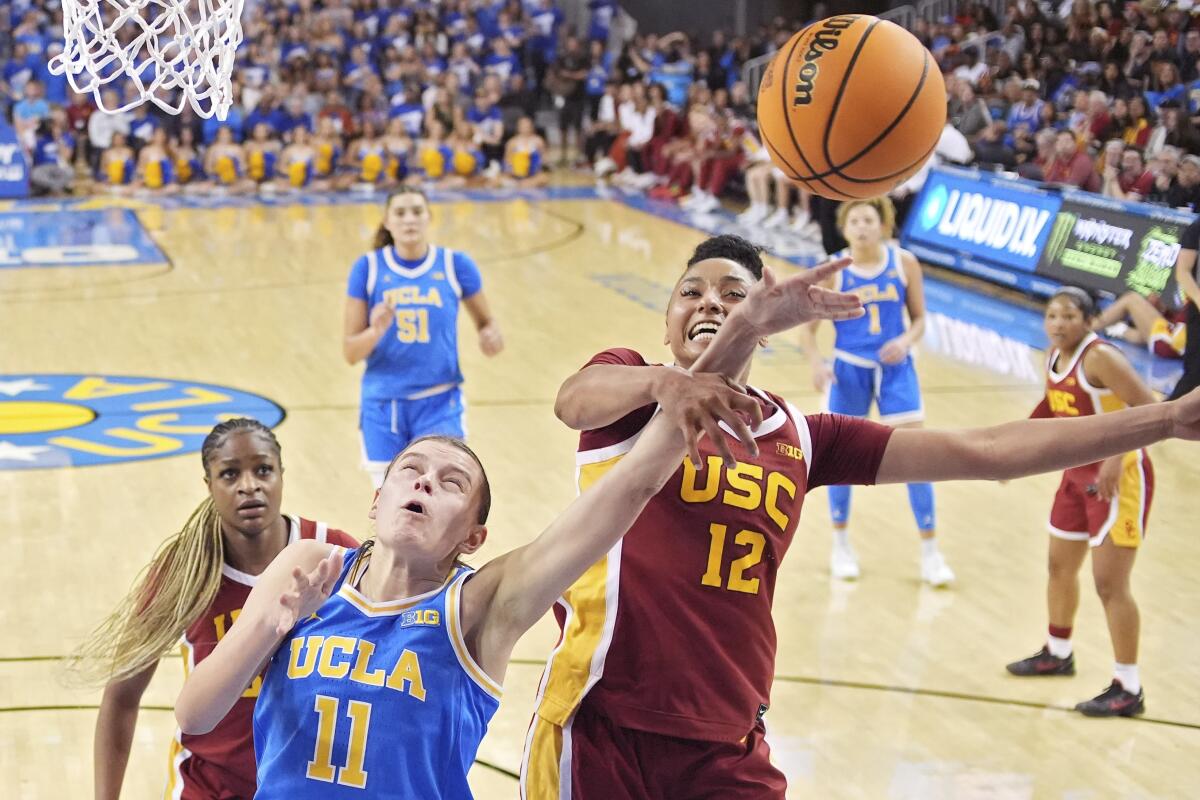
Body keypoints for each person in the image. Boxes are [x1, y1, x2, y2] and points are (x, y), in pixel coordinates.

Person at [519, 233, 1200, 798]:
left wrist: (1165, 419)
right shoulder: (631, 391)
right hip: (603, 722)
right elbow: (574, 400)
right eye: (691, 291)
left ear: (766, 318)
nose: (710, 303)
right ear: (665, 319)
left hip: (726, 736)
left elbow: (989, 450)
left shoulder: (807, 437)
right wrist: (666, 381)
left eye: (734, 293)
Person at [174, 259, 868, 798]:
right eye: (411, 471)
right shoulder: (308, 572)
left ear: (471, 537)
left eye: (451, 484)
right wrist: (264, 627)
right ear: (376, 500)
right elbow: (195, 718)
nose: (423, 481)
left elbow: (634, 481)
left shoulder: (480, 604)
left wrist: (739, 333)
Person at [74, 418, 357, 800]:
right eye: (229, 474)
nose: (249, 486)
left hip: (307, 783)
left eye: (263, 470)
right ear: (209, 485)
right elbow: (122, 697)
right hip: (211, 786)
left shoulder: (334, 553)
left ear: (282, 475)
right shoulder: (185, 570)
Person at [1006, 288, 1157, 716]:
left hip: (1120, 476)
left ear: (1089, 321)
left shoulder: (1100, 357)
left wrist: (1115, 457)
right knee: (1059, 565)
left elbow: (1146, 407)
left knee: (1110, 584)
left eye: (1069, 316)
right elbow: (1053, 407)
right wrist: (1011, 449)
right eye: (1051, 315)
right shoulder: (1052, 356)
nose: (1057, 323)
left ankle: (1129, 686)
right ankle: (1058, 650)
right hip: (1076, 475)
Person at [799, 199, 954, 585]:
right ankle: (840, 544)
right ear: (844, 227)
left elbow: (920, 319)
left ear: (883, 224)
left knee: (919, 458)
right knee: (841, 461)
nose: (863, 226)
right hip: (849, 369)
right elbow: (806, 328)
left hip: (896, 369)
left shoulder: (905, 263)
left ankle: (931, 554)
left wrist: (905, 340)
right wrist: (817, 364)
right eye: (855, 220)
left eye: (869, 219)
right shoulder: (834, 269)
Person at [342, 187, 504, 488]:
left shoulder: (456, 265)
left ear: (429, 217)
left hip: (440, 401)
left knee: (447, 494)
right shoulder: (368, 268)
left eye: (417, 211)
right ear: (387, 222)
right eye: (400, 213)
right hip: (384, 403)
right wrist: (375, 331)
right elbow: (350, 352)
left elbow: (487, 325)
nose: (409, 220)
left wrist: (490, 336)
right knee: (388, 500)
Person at [1092, 290, 1187, 359]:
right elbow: (1186, 323)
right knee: (1144, 332)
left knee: (1131, 298)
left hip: (1171, 344)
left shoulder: (1195, 294)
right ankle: (1116, 329)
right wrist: (1164, 311)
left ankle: (1089, 326)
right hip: (1176, 344)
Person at [1170, 215, 1200, 399]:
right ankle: (1162, 421)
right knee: (1194, 376)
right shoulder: (1196, 228)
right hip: (1197, 310)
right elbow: (1183, 272)